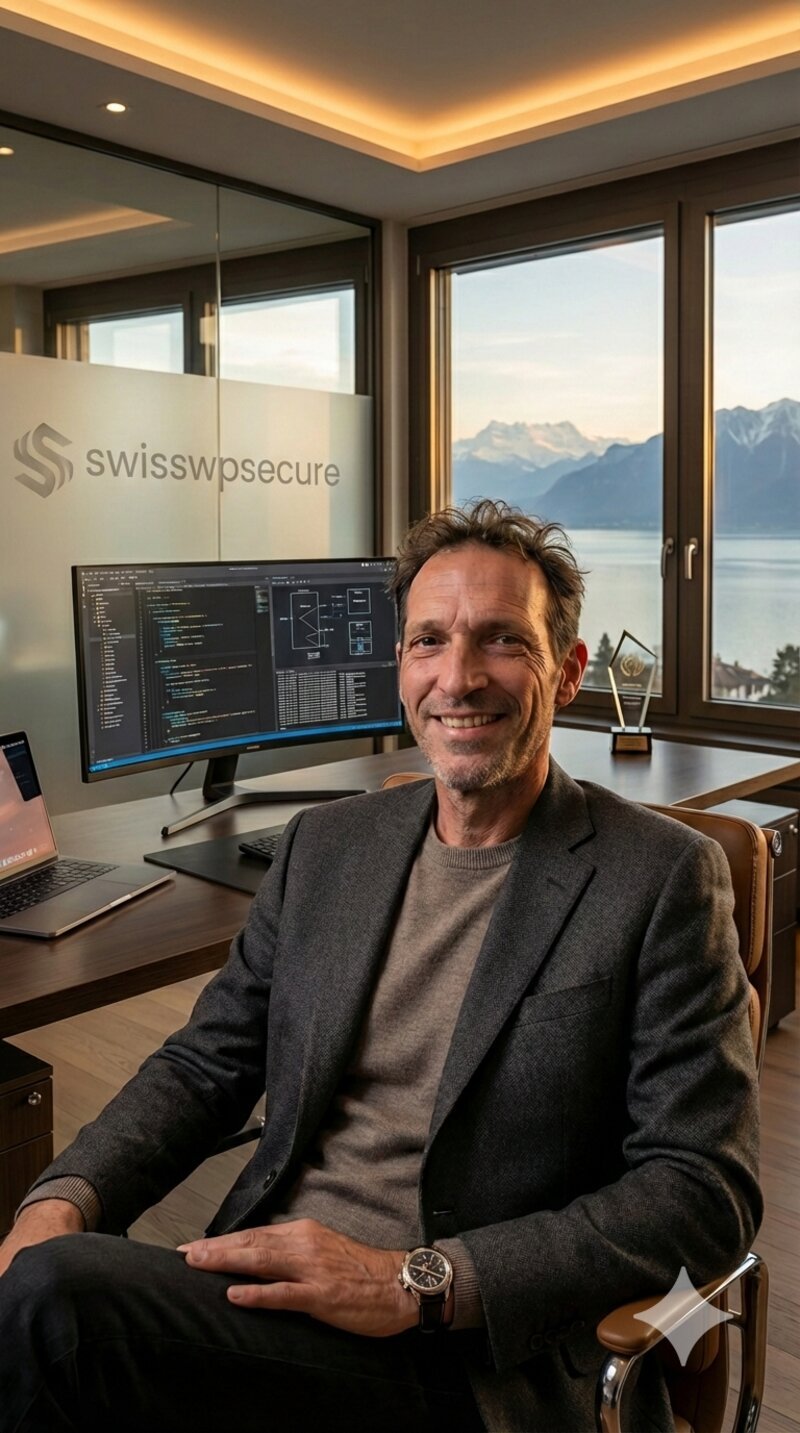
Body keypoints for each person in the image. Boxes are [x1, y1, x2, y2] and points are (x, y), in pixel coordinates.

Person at [0, 500, 761, 1433]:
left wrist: (419, 1281)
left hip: (469, 1359)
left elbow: (702, 1189)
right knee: (44, 1284)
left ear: (567, 672)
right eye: (429, 640)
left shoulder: (659, 876)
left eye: (501, 641)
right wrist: (64, 1197)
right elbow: (205, 1065)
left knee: (55, 1312)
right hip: (270, 1300)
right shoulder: (327, 846)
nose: (459, 676)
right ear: (400, 666)